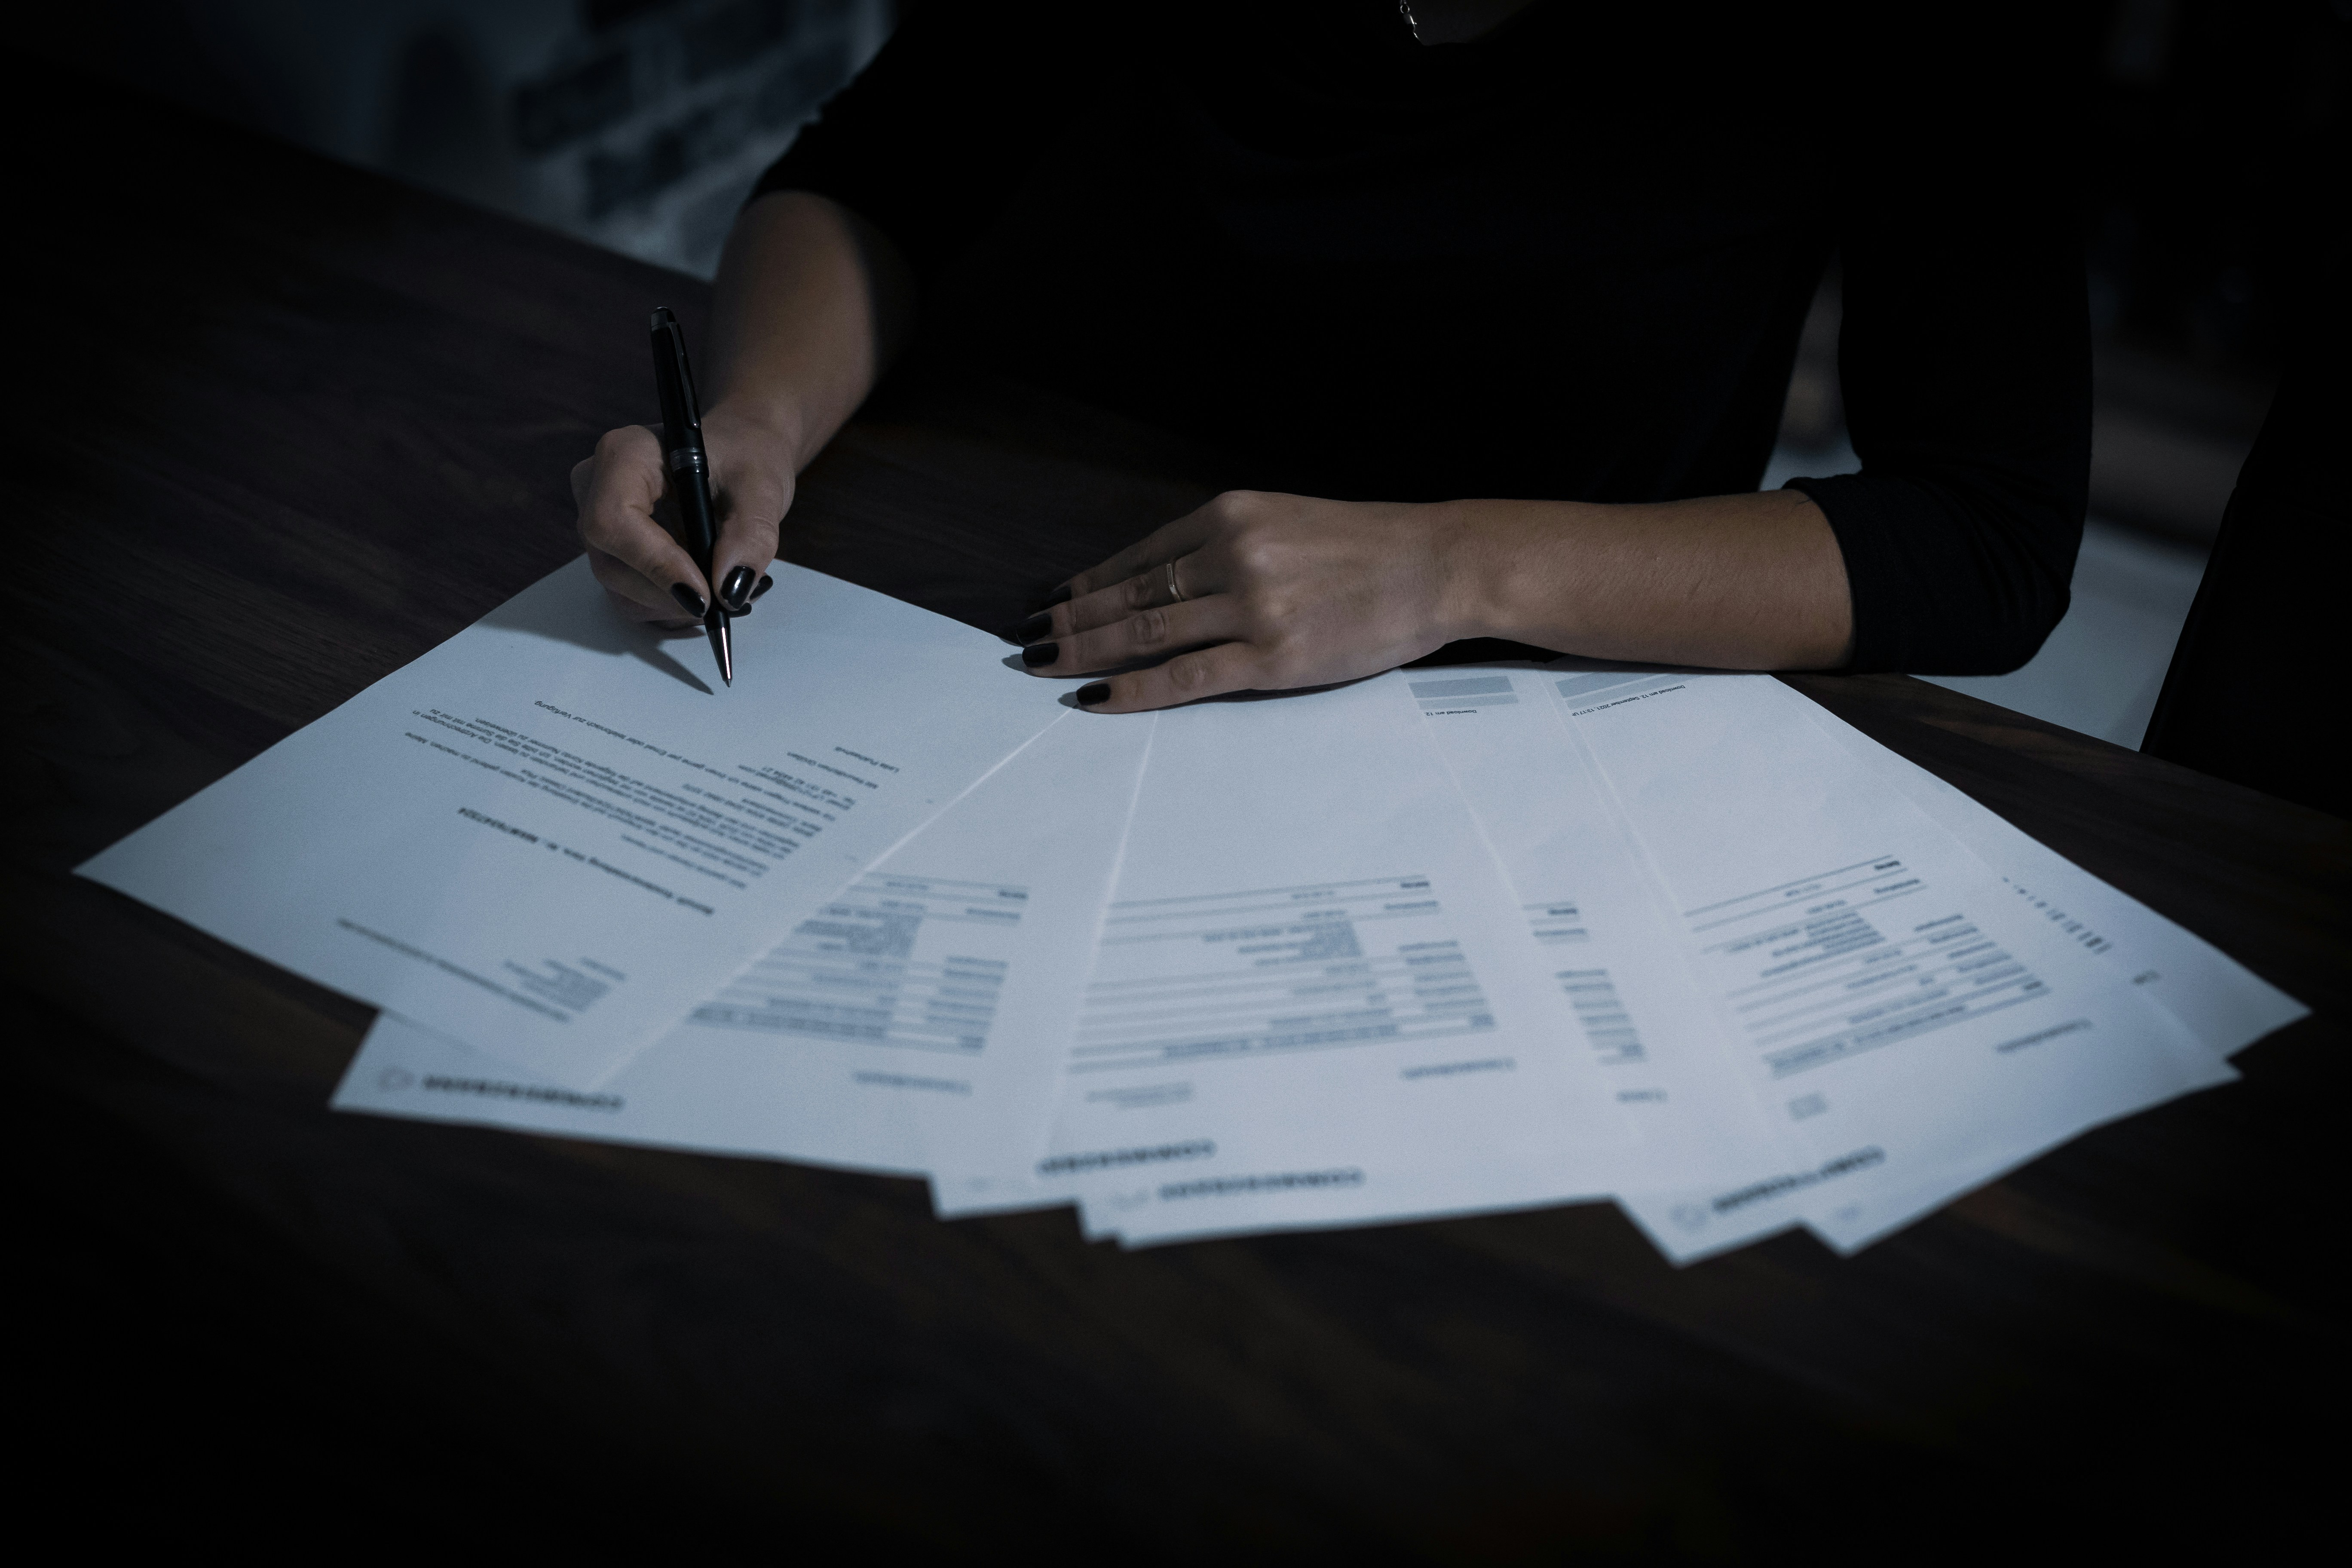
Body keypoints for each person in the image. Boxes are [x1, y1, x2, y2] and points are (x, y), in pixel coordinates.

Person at [572, 0, 2089, 714]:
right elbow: (881, 172)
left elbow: (1988, 534)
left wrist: (1453, 569)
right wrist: (757, 418)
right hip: (978, 605)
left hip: (1516, 704)